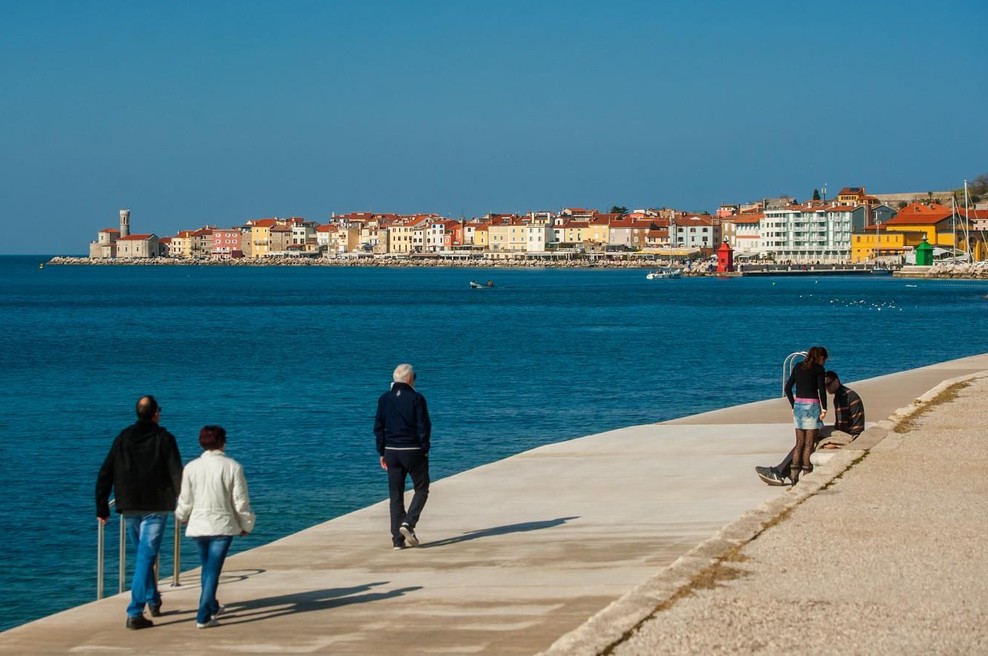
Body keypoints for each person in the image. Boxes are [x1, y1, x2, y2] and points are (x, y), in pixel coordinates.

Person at [95, 395, 183, 630]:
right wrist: (185, 505)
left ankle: (153, 599)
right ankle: (135, 611)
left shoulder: (123, 437)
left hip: (129, 504)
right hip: (156, 505)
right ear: (155, 414)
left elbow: (105, 471)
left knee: (145, 555)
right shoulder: (165, 438)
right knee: (146, 555)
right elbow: (177, 474)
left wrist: (102, 506)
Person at [174, 425, 255, 629]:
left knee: (207, 568)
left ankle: (212, 606)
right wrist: (246, 524)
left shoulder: (191, 467)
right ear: (222, 442)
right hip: (222, 526)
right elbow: (240, 501)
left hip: (199, 526)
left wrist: (182, 516)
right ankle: (203, 616)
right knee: (213, 570)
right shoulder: (233, 467)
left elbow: (185, 499)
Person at [756, 370, 865, 486]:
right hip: (853, 431)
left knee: (811, 436)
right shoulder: (846, 393)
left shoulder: (842, 397)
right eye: (824, 386)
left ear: (837, 381)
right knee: (812, 434)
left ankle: (781, 471)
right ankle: (784, 470)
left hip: (852, 435)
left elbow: (842, 425)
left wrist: (830, 440)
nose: (827, 388)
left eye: (828, 384)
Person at [375, 363, 431, 549]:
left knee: (395, 495)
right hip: (413, 450)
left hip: (392, 451)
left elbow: (379, 428)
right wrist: (424, 448)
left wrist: (381, 451)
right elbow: (424, 426)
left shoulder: (384, 399)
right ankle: (408, 523)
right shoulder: (417, 399)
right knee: (421, 489)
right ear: (410, 379)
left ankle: (397, 540)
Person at [783, 346, 828, 485]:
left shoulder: (797, 366)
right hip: (812, 407)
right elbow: (821, 390)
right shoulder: (819, 370)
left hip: (798, 406)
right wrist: (824, 409)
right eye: (824, 359)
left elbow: (787, 388)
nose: (824, 362)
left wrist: (793, 404)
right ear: (820, 357)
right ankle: (807, 476)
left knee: (799, 443)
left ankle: (794, 477)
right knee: (809, 443)